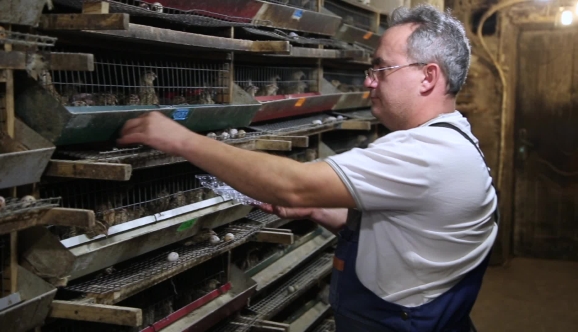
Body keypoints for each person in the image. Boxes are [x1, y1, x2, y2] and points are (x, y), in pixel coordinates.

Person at [118, 4, 498, 331]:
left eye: (381, 68)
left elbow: (292, 184)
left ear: (428, 76)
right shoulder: (454, 140)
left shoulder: (427, 152)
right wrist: (317, 209)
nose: (369, 80)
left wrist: (178, 138)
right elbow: (407, 240)